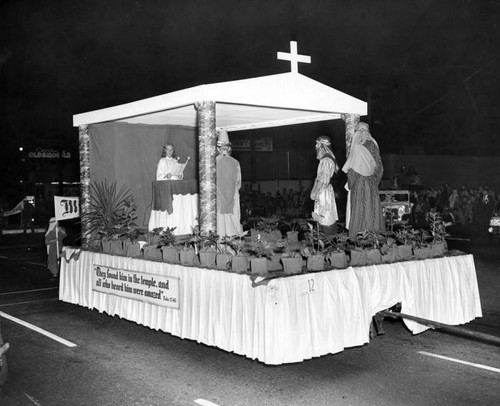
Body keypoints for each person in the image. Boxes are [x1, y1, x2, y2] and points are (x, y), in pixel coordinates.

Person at [342, 122, 385, 237]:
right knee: (372, 209)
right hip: (371, 182)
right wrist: (374, 182)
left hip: (359, 183)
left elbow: (353, 171)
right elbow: (380, 168)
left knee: (359, 210)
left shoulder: (357, 148)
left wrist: (350, 183)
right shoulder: (373, 145)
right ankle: (372, 237)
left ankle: (359, 238)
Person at [310, 136, 339, 235]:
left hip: (324, 192)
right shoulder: (324, 159)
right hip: (322, 190)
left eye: (317, 144)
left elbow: (323, 179)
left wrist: (315, 191)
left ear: (322, 146)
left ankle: (328, 238)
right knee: (322, 216)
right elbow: (318, 178)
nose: (316, 147)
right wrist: (313, 190)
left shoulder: (326, 160)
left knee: (325, 217)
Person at [216, 130, 243, 237]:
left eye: (226, 145)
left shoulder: (235, 162)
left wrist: (233, 192)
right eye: (221, 145)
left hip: (232, 195)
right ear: (218, 148)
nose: (224, 147)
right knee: (220, 220)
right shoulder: (213, 162)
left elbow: (238, 181)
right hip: (218, 197)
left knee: (232, 219)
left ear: (229, 147)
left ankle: (233, 244)